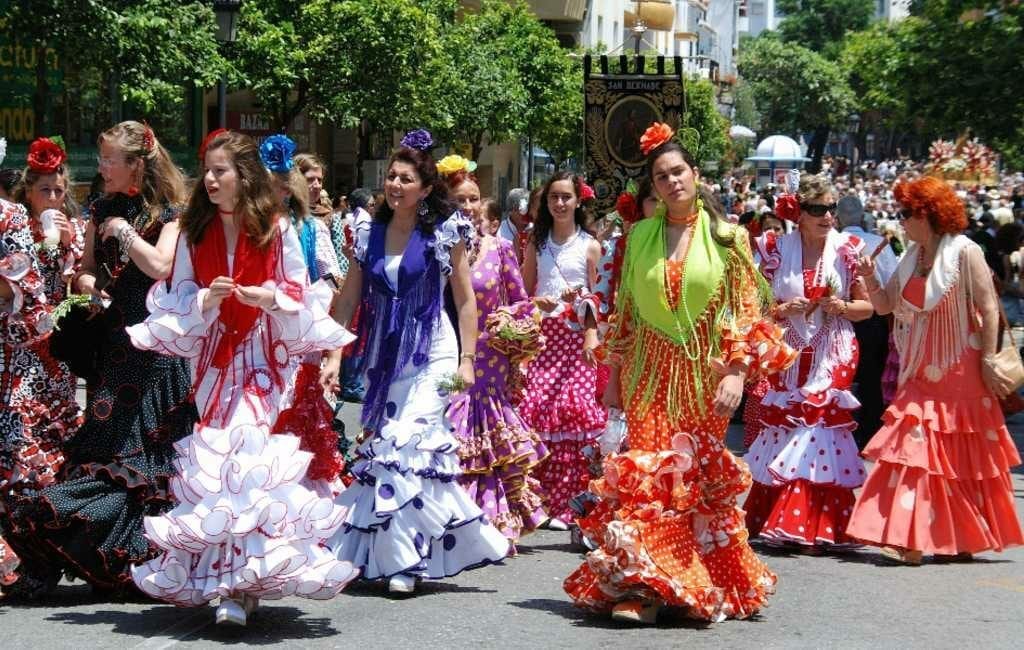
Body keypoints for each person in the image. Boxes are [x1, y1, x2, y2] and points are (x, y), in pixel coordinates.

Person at [564, 124, 794, 624]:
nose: (671, 182)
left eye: (678, 172)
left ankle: (696, 581)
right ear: (653, 185)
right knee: (649, 476)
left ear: (696, 175)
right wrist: (615, 378)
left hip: (702, 378)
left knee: (691, 477)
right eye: (661, 176)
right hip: (648, 373)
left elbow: (745, 311)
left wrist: (736, 372)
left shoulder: (729, 238)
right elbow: (624, 314)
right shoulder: (639, 235)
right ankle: (645, 588)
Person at [127, 131, 358, 625]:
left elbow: (299, 286)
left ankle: (242, 584)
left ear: (243, 176)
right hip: (213, 356)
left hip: (260, 352)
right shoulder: (194, 228)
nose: (210, 179)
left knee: (244, 448)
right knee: (219, 463)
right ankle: (234, 581)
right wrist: (204, 300)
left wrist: (267, 297)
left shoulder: (275, 227)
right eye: (207, 170)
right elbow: (181, 288)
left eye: (220, 171)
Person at [4, 120, 198, 597]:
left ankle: (144, 563)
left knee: (149, 459)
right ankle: (107, 561)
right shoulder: (99, 206)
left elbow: (163, 267)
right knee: (106, 451)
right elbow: (86, 272)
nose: (102, 166)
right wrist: (90, 288)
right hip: (114, 346)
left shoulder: (171, 211)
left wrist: (124, 231)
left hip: (156, 349)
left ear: (136, 164)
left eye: (110, 159)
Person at [321, 131, 508, 595]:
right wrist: (332, 353)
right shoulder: (368, 232)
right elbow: (348, 300)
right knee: (387, 451)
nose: (396, 185)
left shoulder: (446, 232)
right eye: (391, 176)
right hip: (386, 358)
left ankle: (405, 562)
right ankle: (398, 552)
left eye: (406, 179)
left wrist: (468, 360)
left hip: (434, 352)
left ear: (425, 190)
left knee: (410, 443)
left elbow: (465, 303)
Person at [847, 177, 1024, 564]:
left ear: (927, 214)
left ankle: (955, 536)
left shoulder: (965, 251)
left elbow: (989, 307)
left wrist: (990, 361)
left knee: (960, 459)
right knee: (911, 449)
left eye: (906, 213)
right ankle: (911, 537)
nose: (902, 220)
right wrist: (869, 275)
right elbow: (884, 306)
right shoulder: (912, 256)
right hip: (919, 369)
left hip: (963, 366)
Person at [744, 174, 874, 551]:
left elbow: (868, 308)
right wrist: (782, 309)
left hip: (832, 350)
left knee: (817, 426)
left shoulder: (847, 249)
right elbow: (752, 305)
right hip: (787, 350)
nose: (827, 216)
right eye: (818, 209)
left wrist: (843, 306)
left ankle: (807, 521)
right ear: (799, 213)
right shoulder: (774, 248)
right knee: (787, 426)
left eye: (832, 208)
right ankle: (781, 516)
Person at [441, 158, 548, 547]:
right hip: (443, 353)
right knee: (449, 433)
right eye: (458, 201)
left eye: (472, 200)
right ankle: (449, 519)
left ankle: (490, 523)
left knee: (487, 439)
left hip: (488, 359)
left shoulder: (500, 248)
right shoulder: (436, 245)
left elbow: (522, 301)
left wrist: (511, 325)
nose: (467, 207)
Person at [519, 171, 606, 530]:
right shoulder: (535, 244)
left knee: (573, 413)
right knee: (538, 410)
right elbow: (523, 293)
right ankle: (538, 500)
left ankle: (571, 502)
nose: (559, 203)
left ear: (578, 200)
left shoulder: (590, 245)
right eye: (554, 197)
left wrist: (588, 328)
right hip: (543, 338)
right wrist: (536, 305)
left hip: (576, 338)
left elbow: (600, 296)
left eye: (566, 197)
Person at [264, 135, 348, 486]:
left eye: (318, 180)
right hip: (262, 332)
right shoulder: (255, 226)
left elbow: (332, 283)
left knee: (299, 411)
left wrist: (332, 350)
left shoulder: (313, 228)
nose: (313, 185)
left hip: (302, 333)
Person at [0, 196, 53, 595]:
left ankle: (32, 561)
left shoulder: (10, 215)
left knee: (17, 457)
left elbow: (23, 283)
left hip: (9, 351)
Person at [837, 195, 900, 449]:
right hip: (874, 318)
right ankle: (871, 430)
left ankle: (839, 428)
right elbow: (894, 282)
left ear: (839, 217)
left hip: (841, 316)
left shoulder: (832, 244)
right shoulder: (879, 244)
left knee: (840, 375)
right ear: (862, 215)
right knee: (872, 376)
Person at [497, 187, 532, 261]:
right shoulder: (499, 231)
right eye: (524, 209)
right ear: (512, 209)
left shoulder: (536, 229)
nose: (527, 214)